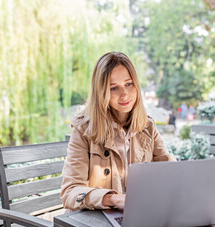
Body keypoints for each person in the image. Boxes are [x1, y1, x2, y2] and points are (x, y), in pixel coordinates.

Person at [60, 52, 175, 211]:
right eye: (114, 88)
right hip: (95, 223)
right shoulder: (83, 129)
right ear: (101, 92)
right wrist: (113, 199)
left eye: (128, 84)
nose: (124, 94)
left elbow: (171, 171)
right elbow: (70, 192)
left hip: (137, 215)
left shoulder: (147, 126)